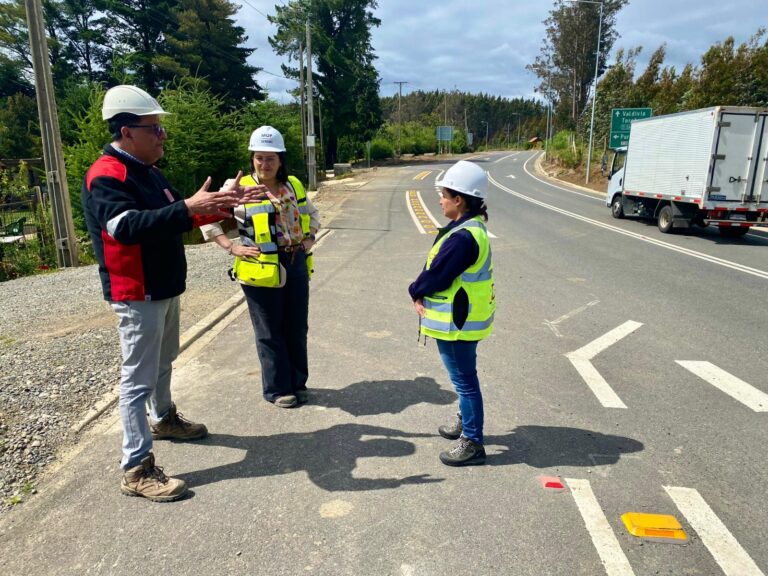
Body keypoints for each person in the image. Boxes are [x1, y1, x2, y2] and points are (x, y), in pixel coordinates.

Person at [82, 84, 263, 501]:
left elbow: (172, 219)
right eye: (155, 129)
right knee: (137, 378)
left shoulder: (148, 171)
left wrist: (222, 205)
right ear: (127, 131)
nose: (162, 136)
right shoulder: (107, 174)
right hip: (136, 289)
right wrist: (187, 207)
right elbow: (123, 227)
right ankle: (135, 467)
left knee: (165, 360)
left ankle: (163, 419)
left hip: (162, 285)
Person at [201, 126, 320, 409]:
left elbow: (311, 214)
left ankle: (297, 382)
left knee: (296, 327)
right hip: (259, 268)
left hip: (295, 264)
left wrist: (309, 239)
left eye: (270, 158)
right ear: (252, 159)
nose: (264, 164)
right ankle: (277, 389)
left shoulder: (293, 185)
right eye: (259, 158)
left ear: (280, 160)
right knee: (269, 330)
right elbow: (207, 218)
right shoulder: (238, 188)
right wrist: (230, 247)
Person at [408, 160, 495, 466]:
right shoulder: (468, 228)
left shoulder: (463, 237)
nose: (440, 199)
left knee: (464, 381)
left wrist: (415, 289)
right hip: (463, 320)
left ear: (459, 199)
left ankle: (472, 441)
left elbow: (438, 274)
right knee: (464, 378)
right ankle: (466, 423)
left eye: (443, 194)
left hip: (457, 323)